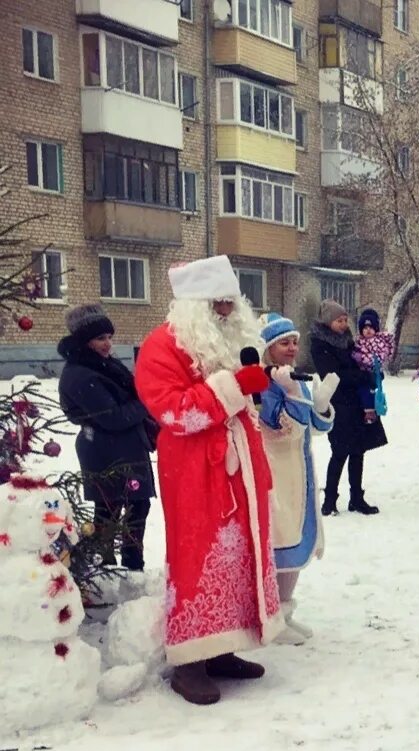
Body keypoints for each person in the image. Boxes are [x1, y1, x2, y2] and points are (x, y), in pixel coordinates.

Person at [134, 255, 283, 705]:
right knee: (199, 556)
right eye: (216, 303)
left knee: (239, 557)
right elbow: (173, 411)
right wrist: (234, 387)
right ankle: (189, 661)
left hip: (237, 469)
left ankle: (224, 646)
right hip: (196, 469)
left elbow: (239, 401)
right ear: (193, 305)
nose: (225, 311)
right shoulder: (163, 345)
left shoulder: (226, 338)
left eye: (229, 302)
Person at [257, 313, 340, 645]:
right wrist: (291, 394)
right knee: (283, 542)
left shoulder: (297, 378)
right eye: (284, 343)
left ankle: (285, 612)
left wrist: (321, 405)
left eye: (294, 342)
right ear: (268, 348)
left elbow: (318, 428)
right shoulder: (263, 383)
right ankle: (273, 618)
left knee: (299, 541)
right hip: (278, 474)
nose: (292, 348)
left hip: (301, 472)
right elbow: (282, 429)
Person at [56, 304, 156, 572]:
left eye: (109, 337)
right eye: (100, 338)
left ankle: (133, 565)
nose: (107, 343)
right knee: (108, 511)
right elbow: (113, 417)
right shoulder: (80, 374)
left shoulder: (102, 364)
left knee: (137, 507)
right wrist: (148, 402)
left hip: (126, 448)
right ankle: (105, 567)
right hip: (104, 451)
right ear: (84, 341)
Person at [309, 299, 387, 516]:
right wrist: (364, 376)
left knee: (358, 451)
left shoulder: (347, 340)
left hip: (357, 403)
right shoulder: (319, 344)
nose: (344, 324)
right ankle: (330, 500)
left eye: (345, 320)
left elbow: (360, 362)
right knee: (340, 452)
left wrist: (373, 372)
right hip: (338, 404)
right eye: (339, 320)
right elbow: (333, 375)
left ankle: (356, 498)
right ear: (327, 321)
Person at [352, 311, 396, 424]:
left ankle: (370, 412)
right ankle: (366, 410)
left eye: (371, 327)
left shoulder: (379, 342)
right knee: (361, 391)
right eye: (365, 328)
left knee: (370, 391)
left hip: (373, 373)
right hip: (361, 373)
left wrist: (361, 358)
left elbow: (378, 357)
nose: (368, 330)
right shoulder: (359, 341)